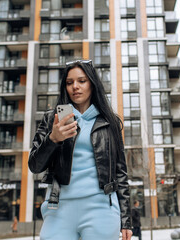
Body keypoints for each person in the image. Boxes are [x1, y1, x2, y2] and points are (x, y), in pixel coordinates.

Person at [29, 60, 132, 240]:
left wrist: (126, 220)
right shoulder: (51, 120)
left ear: (92, 83)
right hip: (58, 207)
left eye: (82, 81)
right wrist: (53, 139)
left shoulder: (109, 122)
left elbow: (120, 172)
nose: (75, 87)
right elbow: (35, 166)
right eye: (69, 83)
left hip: (101, 208)